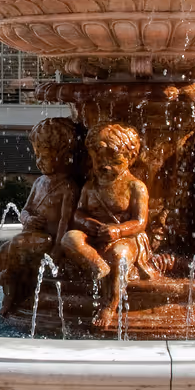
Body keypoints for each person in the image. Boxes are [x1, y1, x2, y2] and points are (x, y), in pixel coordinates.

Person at [0, 116, 83, 314]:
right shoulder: (39, 183)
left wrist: (58, 249)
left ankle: (9, 279)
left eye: (45, 156)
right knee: (4, 249)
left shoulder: (67, 187)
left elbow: (65, 221)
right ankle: (10, 292)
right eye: (37, 156)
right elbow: (25, 210)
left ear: (63, 156)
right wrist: (28, 219)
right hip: (33, 234)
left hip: (49, 239)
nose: (39, 161)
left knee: (17, 245)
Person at [61, 122, 151, 317]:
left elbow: (140, 222)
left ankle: (111, 303)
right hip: (94, 235)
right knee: (70, 238)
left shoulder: (135, 187)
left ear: (130, 157)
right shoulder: (90, 186)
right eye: (98, 160)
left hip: (126, 238)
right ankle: (98, 265)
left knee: (119, 255)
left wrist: (119, 230)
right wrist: (86, 223)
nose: (105, 165)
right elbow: (79, 212)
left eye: (114, 160)